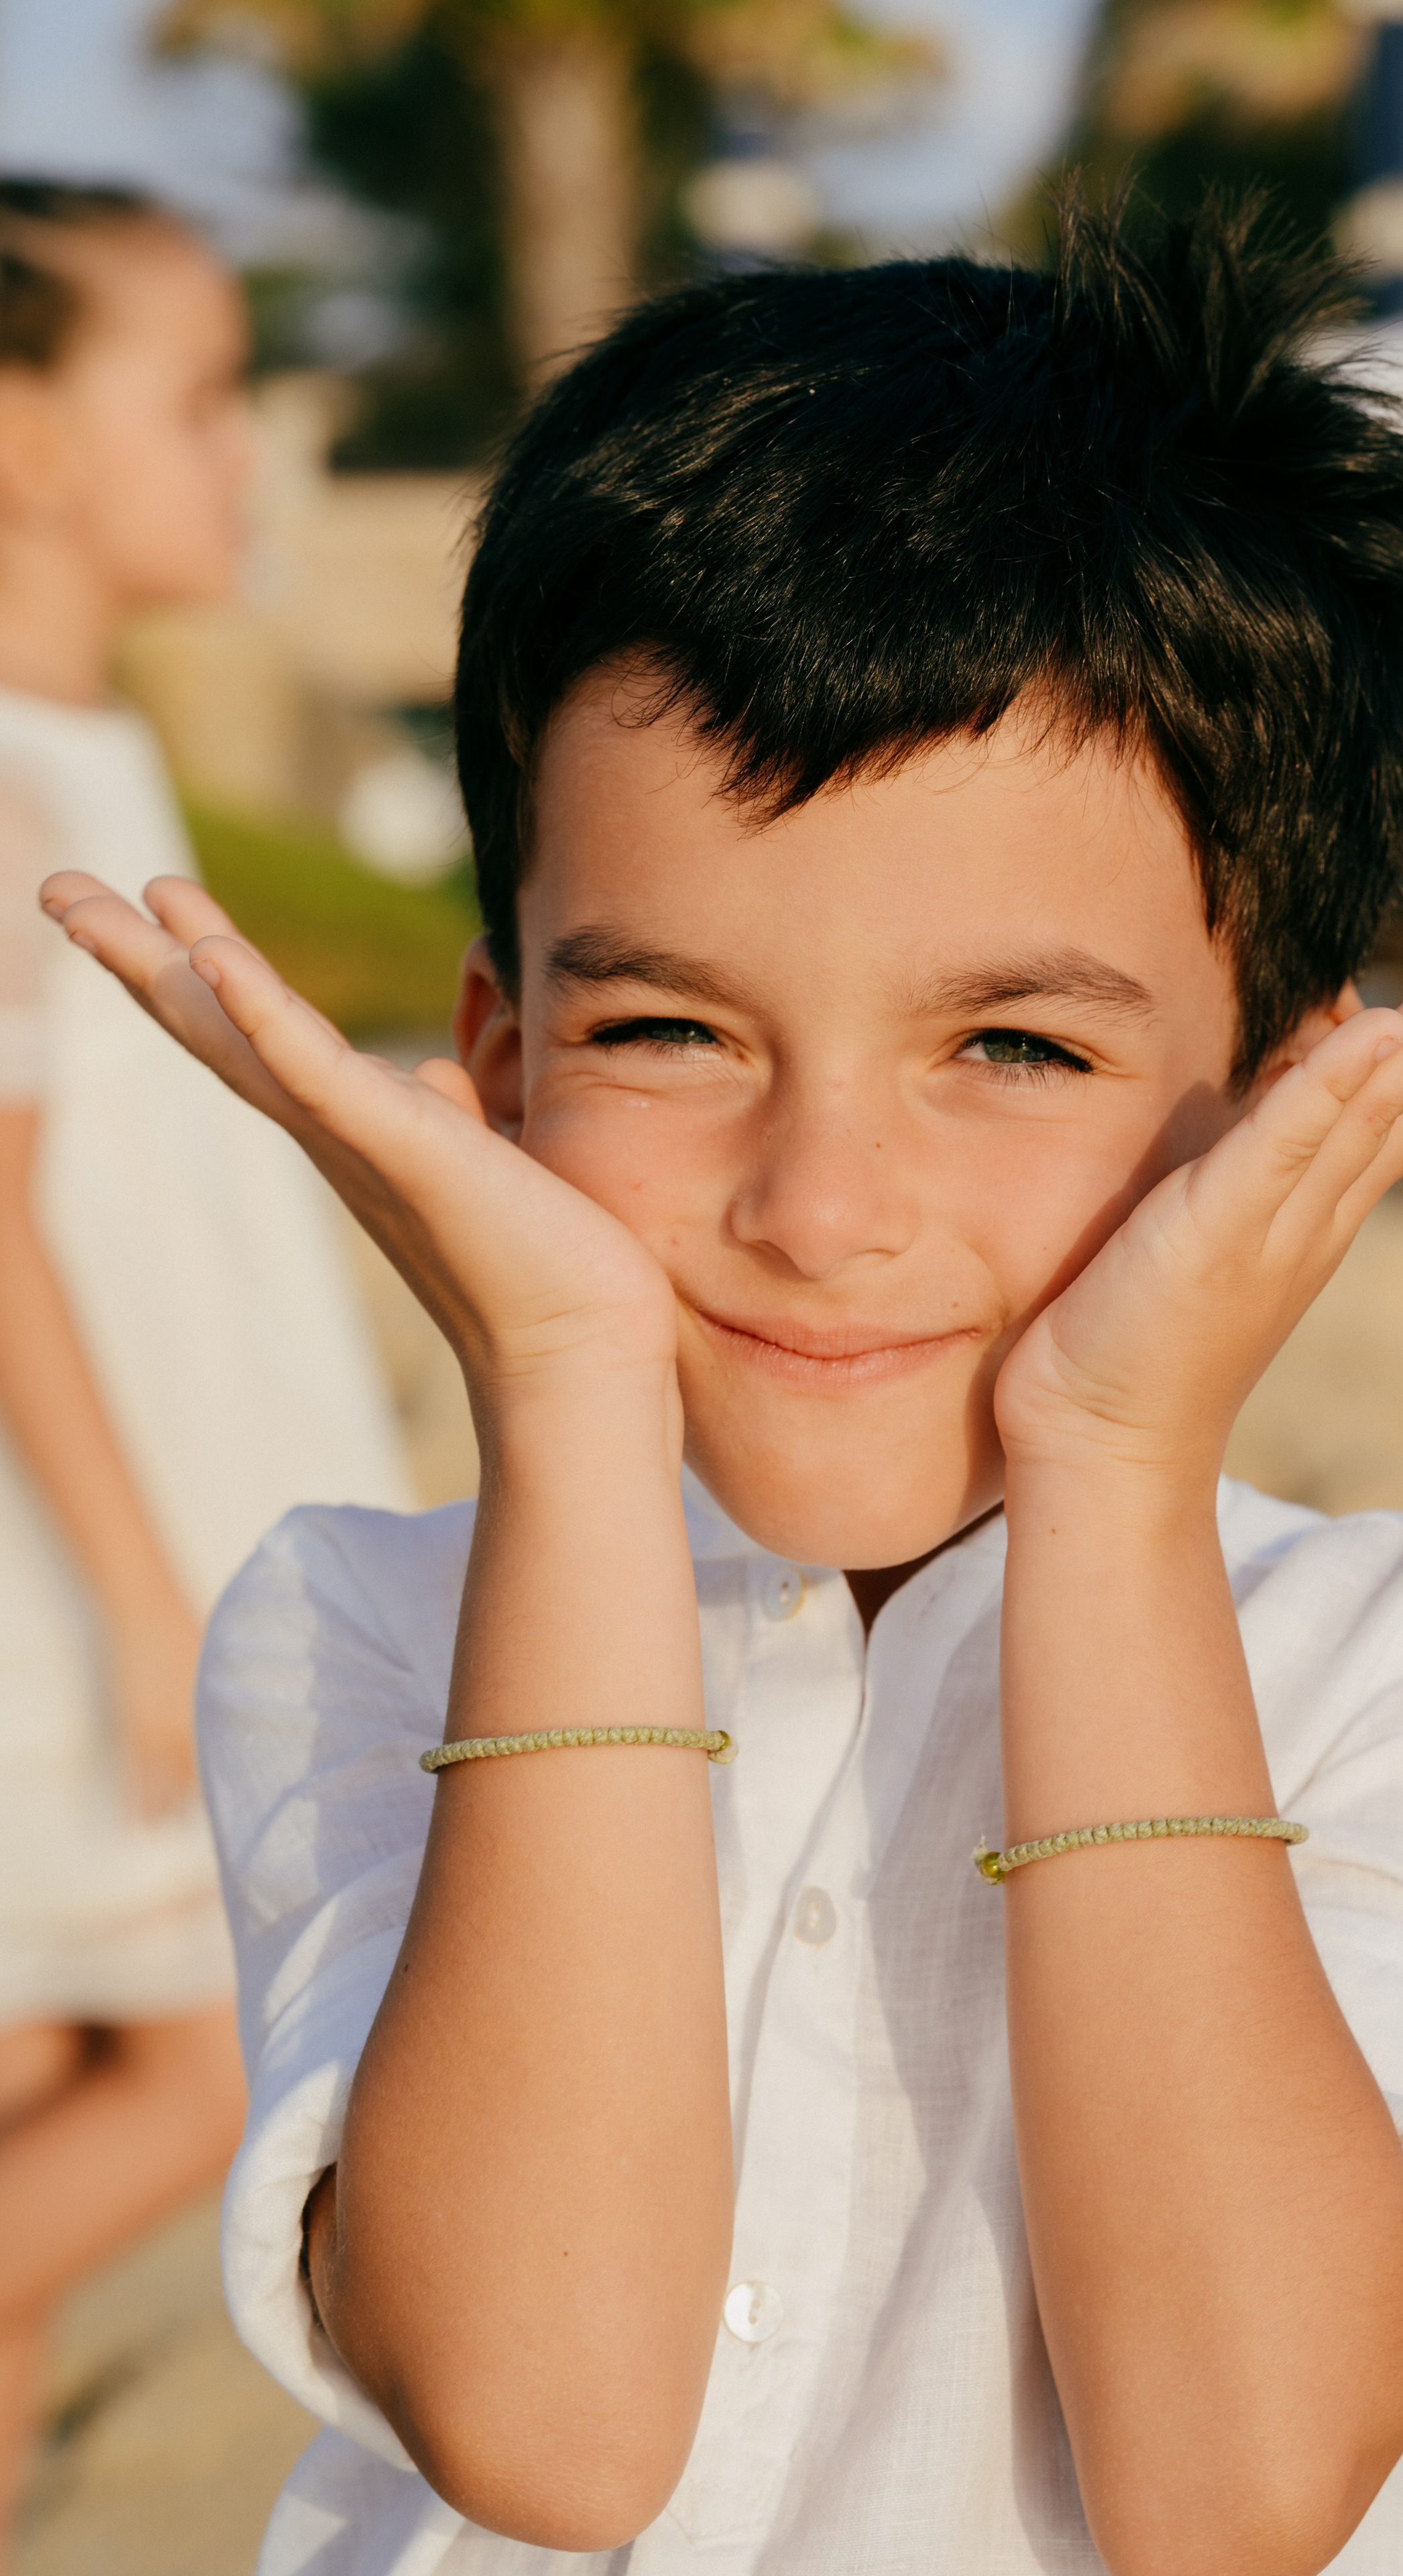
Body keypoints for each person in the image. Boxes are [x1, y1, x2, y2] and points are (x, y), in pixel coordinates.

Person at [47, 203, 1403, 2576]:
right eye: (666, 1029)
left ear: (1286, 1105)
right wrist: (568, 1407)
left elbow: (1237, 2480)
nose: (817, 1199)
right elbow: (546, 2430)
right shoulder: (363, 1626)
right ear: (500, 1052)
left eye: (1014, 1045)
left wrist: (1108, 1475)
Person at [0, 179, 410, 2551]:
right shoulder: (18, 781)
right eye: (195, 394)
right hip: (85, 1597)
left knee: (57, 2083)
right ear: (28, 440)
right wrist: (157, 1601)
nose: (247, 445)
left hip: (123, 1572)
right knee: (187, 2072)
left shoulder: (87, 751)